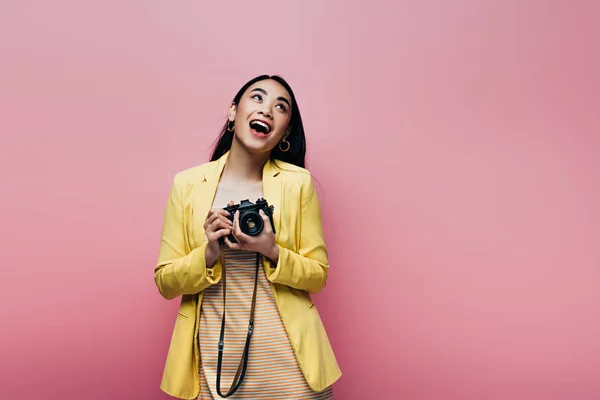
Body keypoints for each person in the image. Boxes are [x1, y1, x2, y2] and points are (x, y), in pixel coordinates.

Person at [154, 74, 342, 399]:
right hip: (214, 367)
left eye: (280, 107)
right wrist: (208, 252)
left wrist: (272, 250)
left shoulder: (297, 184)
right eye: (257, 98)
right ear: (232, 112)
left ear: (285, 132)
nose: (267, 109)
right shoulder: (187, 185)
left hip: (291, 367)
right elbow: (165, 281)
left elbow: (318, 276)